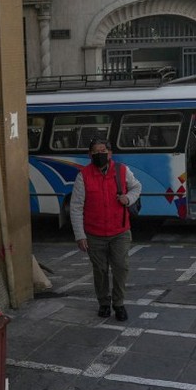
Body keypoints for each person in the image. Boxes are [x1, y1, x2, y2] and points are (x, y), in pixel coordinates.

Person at [70, 138, 142, 321]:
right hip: (94, 234)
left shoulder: (122, 170)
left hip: (120, 232)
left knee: (121, 267)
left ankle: (119, 304)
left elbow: (137, 187)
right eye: (95, 151)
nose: (100, 154)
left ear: (110, 153)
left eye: (103, 150)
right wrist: (80, 235)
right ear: (89, 155)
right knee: (100, 270)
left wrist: (128, 198)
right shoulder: (83, 176)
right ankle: (103, 303)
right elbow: (76, 207)